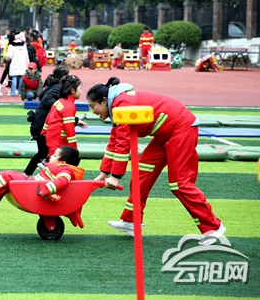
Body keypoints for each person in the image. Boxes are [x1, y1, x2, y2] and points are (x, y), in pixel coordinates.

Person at [87, 77, 225, 245]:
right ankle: (131, 220)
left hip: (181, 130)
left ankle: (213, 227)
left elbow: (123, 144)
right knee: (141, 174)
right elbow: (114, 142)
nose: (93, 111)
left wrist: (115, 176)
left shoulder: (122, 104)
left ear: (103, 100)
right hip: (165, 134)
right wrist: (104, 173)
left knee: (180, 184)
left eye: (93, 106)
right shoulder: (118, 106)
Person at [0, 145, 84, 209]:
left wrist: (47, 189)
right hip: (31, 182)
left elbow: (63, 181)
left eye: (55, 156)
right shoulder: (58, 168)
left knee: (6, 176)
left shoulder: (65, 170)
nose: (51, 157)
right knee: (5, 174)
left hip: (32, 187)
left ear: (63, 162)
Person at [42, 74, 83, 157]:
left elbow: (49, 117)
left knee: (53, 159)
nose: (81, 91)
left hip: (52, 138)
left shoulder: (59, 101)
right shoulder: (69, 106)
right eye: (80, 88)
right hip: (60, 140)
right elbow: (69, 127)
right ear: (73, 90)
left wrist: (45, 130)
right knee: (59, 162)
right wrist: (73, 147)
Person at [4, 32, 28, 97]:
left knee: (14, 77)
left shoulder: (11, 45)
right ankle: (20, 92)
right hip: (22, 63)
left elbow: (9, 56)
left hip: (14, 63)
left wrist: (6, 59)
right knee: (20, 77)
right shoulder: (23, 44)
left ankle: (13, 92)